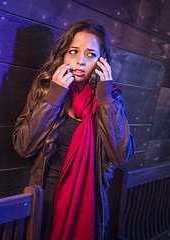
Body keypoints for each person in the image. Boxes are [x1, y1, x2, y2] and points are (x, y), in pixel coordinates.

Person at [12, 21, 134, 240]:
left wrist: (105, 99)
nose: (80, 61)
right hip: (46, 196)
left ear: (100, 61)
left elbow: (121, 156)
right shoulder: (45, 88)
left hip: (88, 199)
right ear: (63, 54)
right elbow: (23, 146)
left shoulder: (111, 97)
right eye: (74, 52)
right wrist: (53, 98)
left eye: (90, 54)